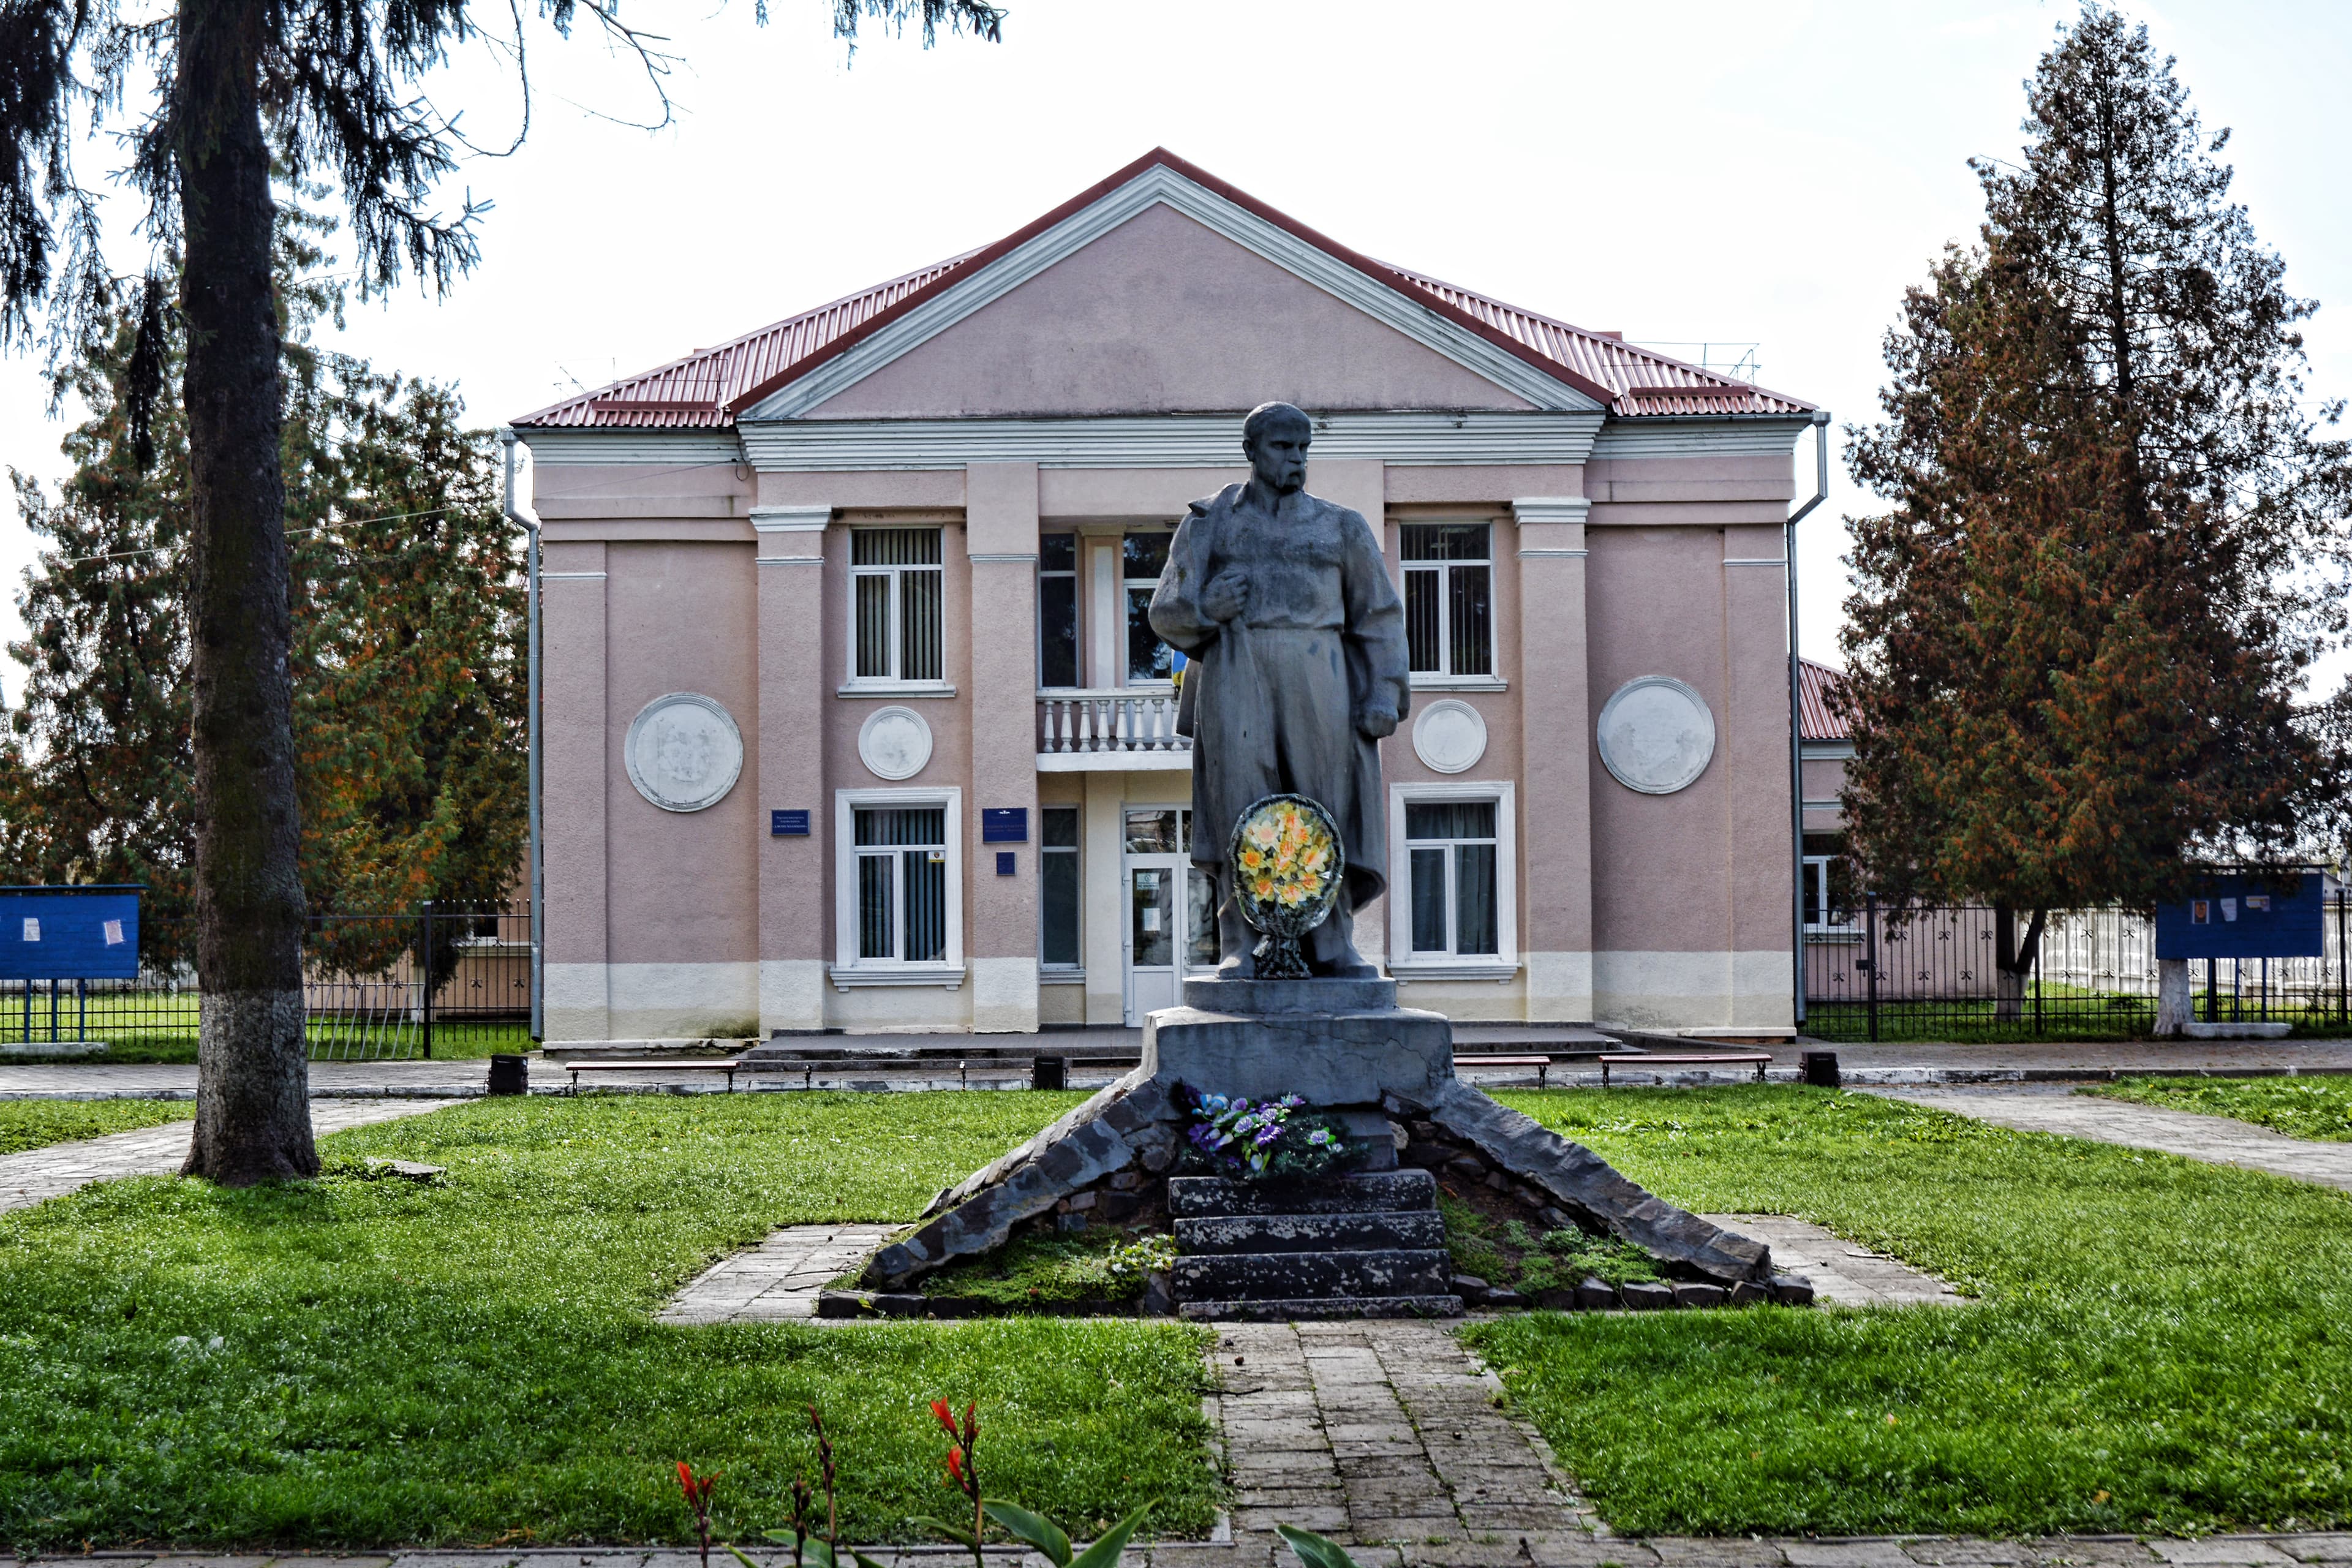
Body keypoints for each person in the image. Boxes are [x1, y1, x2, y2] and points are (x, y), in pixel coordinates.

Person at [1149, 401, 1409, 978]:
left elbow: (1380, 615)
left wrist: (1384, 690)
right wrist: (1206, 608)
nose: (1297, 459)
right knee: (1239, 803)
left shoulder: (1341, 526)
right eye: (1283, 447)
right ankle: (1240, 941)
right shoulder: (1211, 522)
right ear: (1251, 451)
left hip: (1320, 673)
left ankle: (1333, 941)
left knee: (1325, 802)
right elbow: (1165, 609)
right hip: (1236, 666)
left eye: (1303, 448)